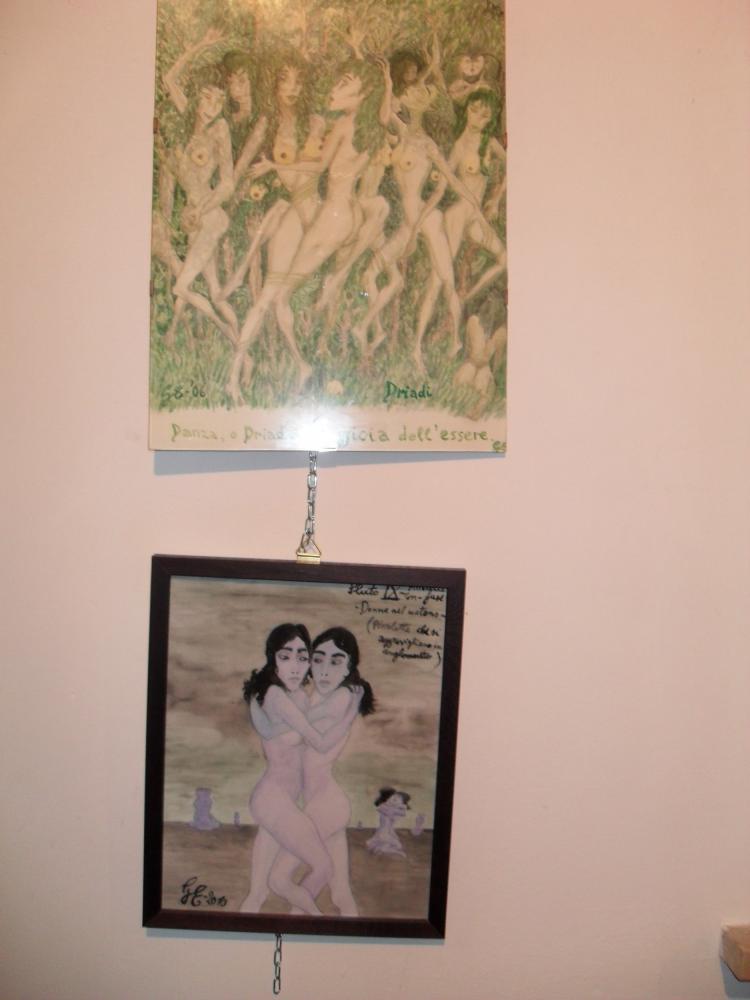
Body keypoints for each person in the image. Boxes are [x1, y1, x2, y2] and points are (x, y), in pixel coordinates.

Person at [225, 67, 373, 402]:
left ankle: (287, 366)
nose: (292, 88)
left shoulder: (321, 123)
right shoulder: (269, 126)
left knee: (276, 297)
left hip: (320, 214)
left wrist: (275, 167)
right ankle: (252, 371)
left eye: (298, 81)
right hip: (297, 215)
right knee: (270, 298)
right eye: (284, 81)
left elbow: (323, 167)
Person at [249, 627, 374, 916]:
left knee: (279, 879)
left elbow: (312, 736)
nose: (324, 670)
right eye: (317, 660)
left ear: (349, 668)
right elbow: (284, 726)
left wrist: (350, 713)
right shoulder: (310, 697)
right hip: (315, 803)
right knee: (339, 891)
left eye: (336, 661)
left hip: (324, 804)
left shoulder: (341, 698)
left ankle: (307, 924)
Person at [444, 89, 506, 303]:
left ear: (490, 120)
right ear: (466, 111)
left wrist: (496, 200)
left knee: (504, 259)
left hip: (475, 217)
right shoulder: (459, 146)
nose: (477, 117)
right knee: (445, 269)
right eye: (474, 110)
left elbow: (512, 166)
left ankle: (465, 299)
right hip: (460, 213)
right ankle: (449, 308)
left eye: (484, 115)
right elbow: (447, 178)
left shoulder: (489, 143)